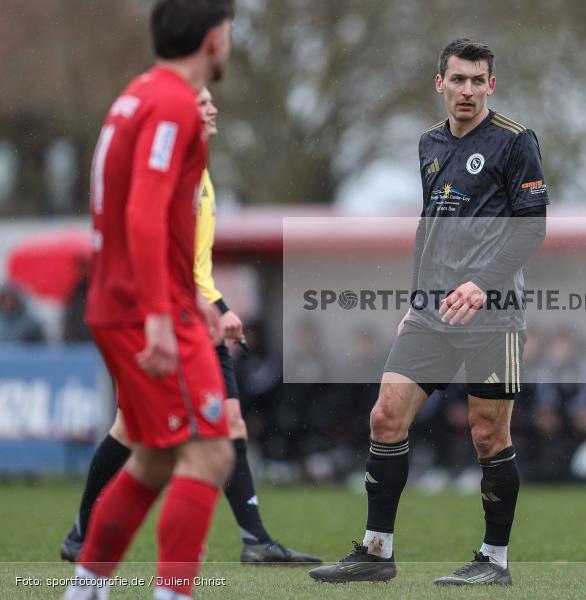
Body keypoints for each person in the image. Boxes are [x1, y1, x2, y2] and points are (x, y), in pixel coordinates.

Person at [309, 38, 549, 586]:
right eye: (458, 79)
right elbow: (429, 226)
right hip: (432, 314)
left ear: (492, 85)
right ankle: (375, 552)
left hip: (495, 314)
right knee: (384, 417)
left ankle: (493, 560)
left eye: (478, 80)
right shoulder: (428, 145)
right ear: (439, 83)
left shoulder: (516, 142)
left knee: (488, 435)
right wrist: (416, 295)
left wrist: (482, 286)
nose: (467, 90)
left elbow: (532, 225)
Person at [60, 86, 319, 566]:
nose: (213, 108)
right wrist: (195, 309)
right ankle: (87, 536)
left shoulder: (197, 169)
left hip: (197, 310)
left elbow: (194, 264)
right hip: (169, 315)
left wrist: (218, 306)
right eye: (202, 103)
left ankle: (255, 540)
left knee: (230, 424)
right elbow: (152, 250)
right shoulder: (167, 172)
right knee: (140, 435)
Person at [64, 2, 236, 599]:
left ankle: (85, 588)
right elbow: (141, 210)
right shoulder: (172, 105)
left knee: (155, 458)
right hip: (146, 310)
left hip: (127, 303)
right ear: (215, 38)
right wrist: (164, 316)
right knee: (211, 454)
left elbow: (151, 218)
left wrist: (195, 300)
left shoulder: (137, 94)